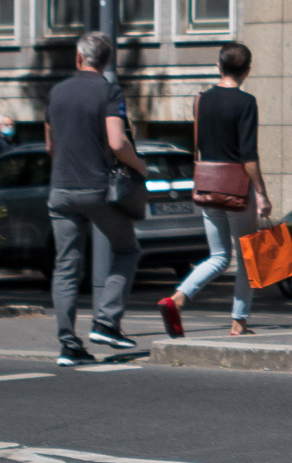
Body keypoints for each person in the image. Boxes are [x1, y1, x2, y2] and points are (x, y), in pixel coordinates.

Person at [45, 33, 150, 363]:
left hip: (60, 190)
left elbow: (51, 147)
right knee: (127, 249)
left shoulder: (56, 92)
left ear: (79, 57)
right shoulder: (109, 91)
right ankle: (106, 322)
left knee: (66, 267)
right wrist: (140, 166)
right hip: (96, 190)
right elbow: (117, 142)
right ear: (106, 61)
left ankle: (68, 344)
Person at [159, 44, 273, 340]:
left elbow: (199, 145)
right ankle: (239, 323)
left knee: (219, 256)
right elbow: (248, 156)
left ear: (219, 67)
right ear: (247, 70)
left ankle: (177, 299)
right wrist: (261, 193)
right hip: (237, 190)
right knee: (248, 257)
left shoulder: (202, 100)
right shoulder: (246, 102)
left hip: (208, 186)